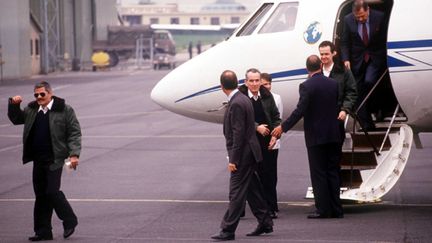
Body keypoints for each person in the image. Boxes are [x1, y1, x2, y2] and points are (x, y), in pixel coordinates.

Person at [272, 55, 343, 219]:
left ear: (307, 69)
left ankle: (323, 209)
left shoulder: (306, 86)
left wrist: (283, 127)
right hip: (333, 133)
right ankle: (336, 209)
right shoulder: (334, 84)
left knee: (318, 173)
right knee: (333, 171)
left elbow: (300, 110)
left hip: (316, 135)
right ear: (321, 66)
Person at [8, 81, 81, 241]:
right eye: (36, 95)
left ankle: (69, 220)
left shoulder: (64, 110)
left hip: (55, 158)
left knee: (52, 191)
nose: (39, 97)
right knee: (41, 195)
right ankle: (43, 231)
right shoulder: (32, 109)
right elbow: (16, 118)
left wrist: (74, 154)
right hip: (38, 159)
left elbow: (74, 133)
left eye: (42, 94)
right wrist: (14, 105)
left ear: (50, 93)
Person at [211, 70, 273, 241]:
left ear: (221, 87)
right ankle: (265, 222)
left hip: (243, 155)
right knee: (252, 190)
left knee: (236, 192)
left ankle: (228, 229)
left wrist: (233, 159)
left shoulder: (237, 102)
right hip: (250, 153)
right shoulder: (243, 99)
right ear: (238, 83)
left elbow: (238, 134)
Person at [238, 68, 281, 219]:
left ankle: (270, 208)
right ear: (246, 82)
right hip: (249, 143)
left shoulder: (266, 95)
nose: (255, 84)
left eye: (257, 80)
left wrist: (276, 135)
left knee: (268, 176)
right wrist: (257, 127)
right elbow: (240, 119)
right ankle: (240, 209)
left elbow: (276, 116)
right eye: (252, 81)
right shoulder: (241, 97)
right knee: (246, 177)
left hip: (266, 141)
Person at [340, 0, 387, 131]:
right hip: (357, 60)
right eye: (357, 17)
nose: (360, 19)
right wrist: (346, 59)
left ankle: (377, 108)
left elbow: (384, 39)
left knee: (370, 81)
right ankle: (367, 124)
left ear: (368, 10)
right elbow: (344, 42)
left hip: (375, 57)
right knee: (357, 90)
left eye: (362, 16)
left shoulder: (380, 17)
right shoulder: (348, 20)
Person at [318, 40, 357, 138]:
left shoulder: (343, 71)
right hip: (319, 121)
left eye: (326, 54)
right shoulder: (316, 72)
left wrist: (345, 109)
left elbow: (351, 92)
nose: (323, 57)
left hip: (337, 118)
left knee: (336, 150)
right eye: (321, 54)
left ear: (334, 53)